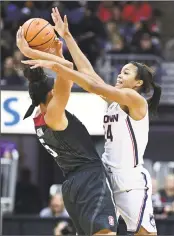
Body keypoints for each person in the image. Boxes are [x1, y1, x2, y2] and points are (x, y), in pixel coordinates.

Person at [22, 8, 161, 235]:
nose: (119, 75)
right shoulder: (114, 99)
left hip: (130, 182)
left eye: (126, 73)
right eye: (121, 71)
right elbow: (88, 72)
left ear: (137, 83)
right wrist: (66, 36)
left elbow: (92, 85)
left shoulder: (135, 100)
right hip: (105, 176)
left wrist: (57, 66)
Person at [16, 28, 117, 235]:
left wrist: (56, 53)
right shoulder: (54, 113)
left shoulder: (38, 117)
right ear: (52, 92)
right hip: (89, 179)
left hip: (71, 185)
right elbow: (68, 69)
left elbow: (64, 69)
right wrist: (32, 52)